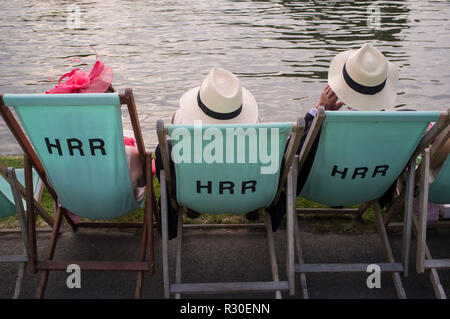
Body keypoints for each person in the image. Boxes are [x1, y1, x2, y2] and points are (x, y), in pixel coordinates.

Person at [268, 42, 400, 231]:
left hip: (323, 188)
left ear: (344, 85)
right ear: (382, 87)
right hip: (372, 186)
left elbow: (289, 152)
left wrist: (316, 111)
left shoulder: (325, 125)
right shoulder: (400, 126)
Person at [155, 67, 260, 238]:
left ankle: (193, 206)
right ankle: (252, 210)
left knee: (166, 150)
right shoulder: (254, 122)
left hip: (196, 191)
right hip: (246, 194)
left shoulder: (180, 118)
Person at [46, 59, 146, 202]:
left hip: (73, 199)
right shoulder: (129, 156)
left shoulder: (57, 154)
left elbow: (52, 184)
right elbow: (142, 184)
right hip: (116, 200)